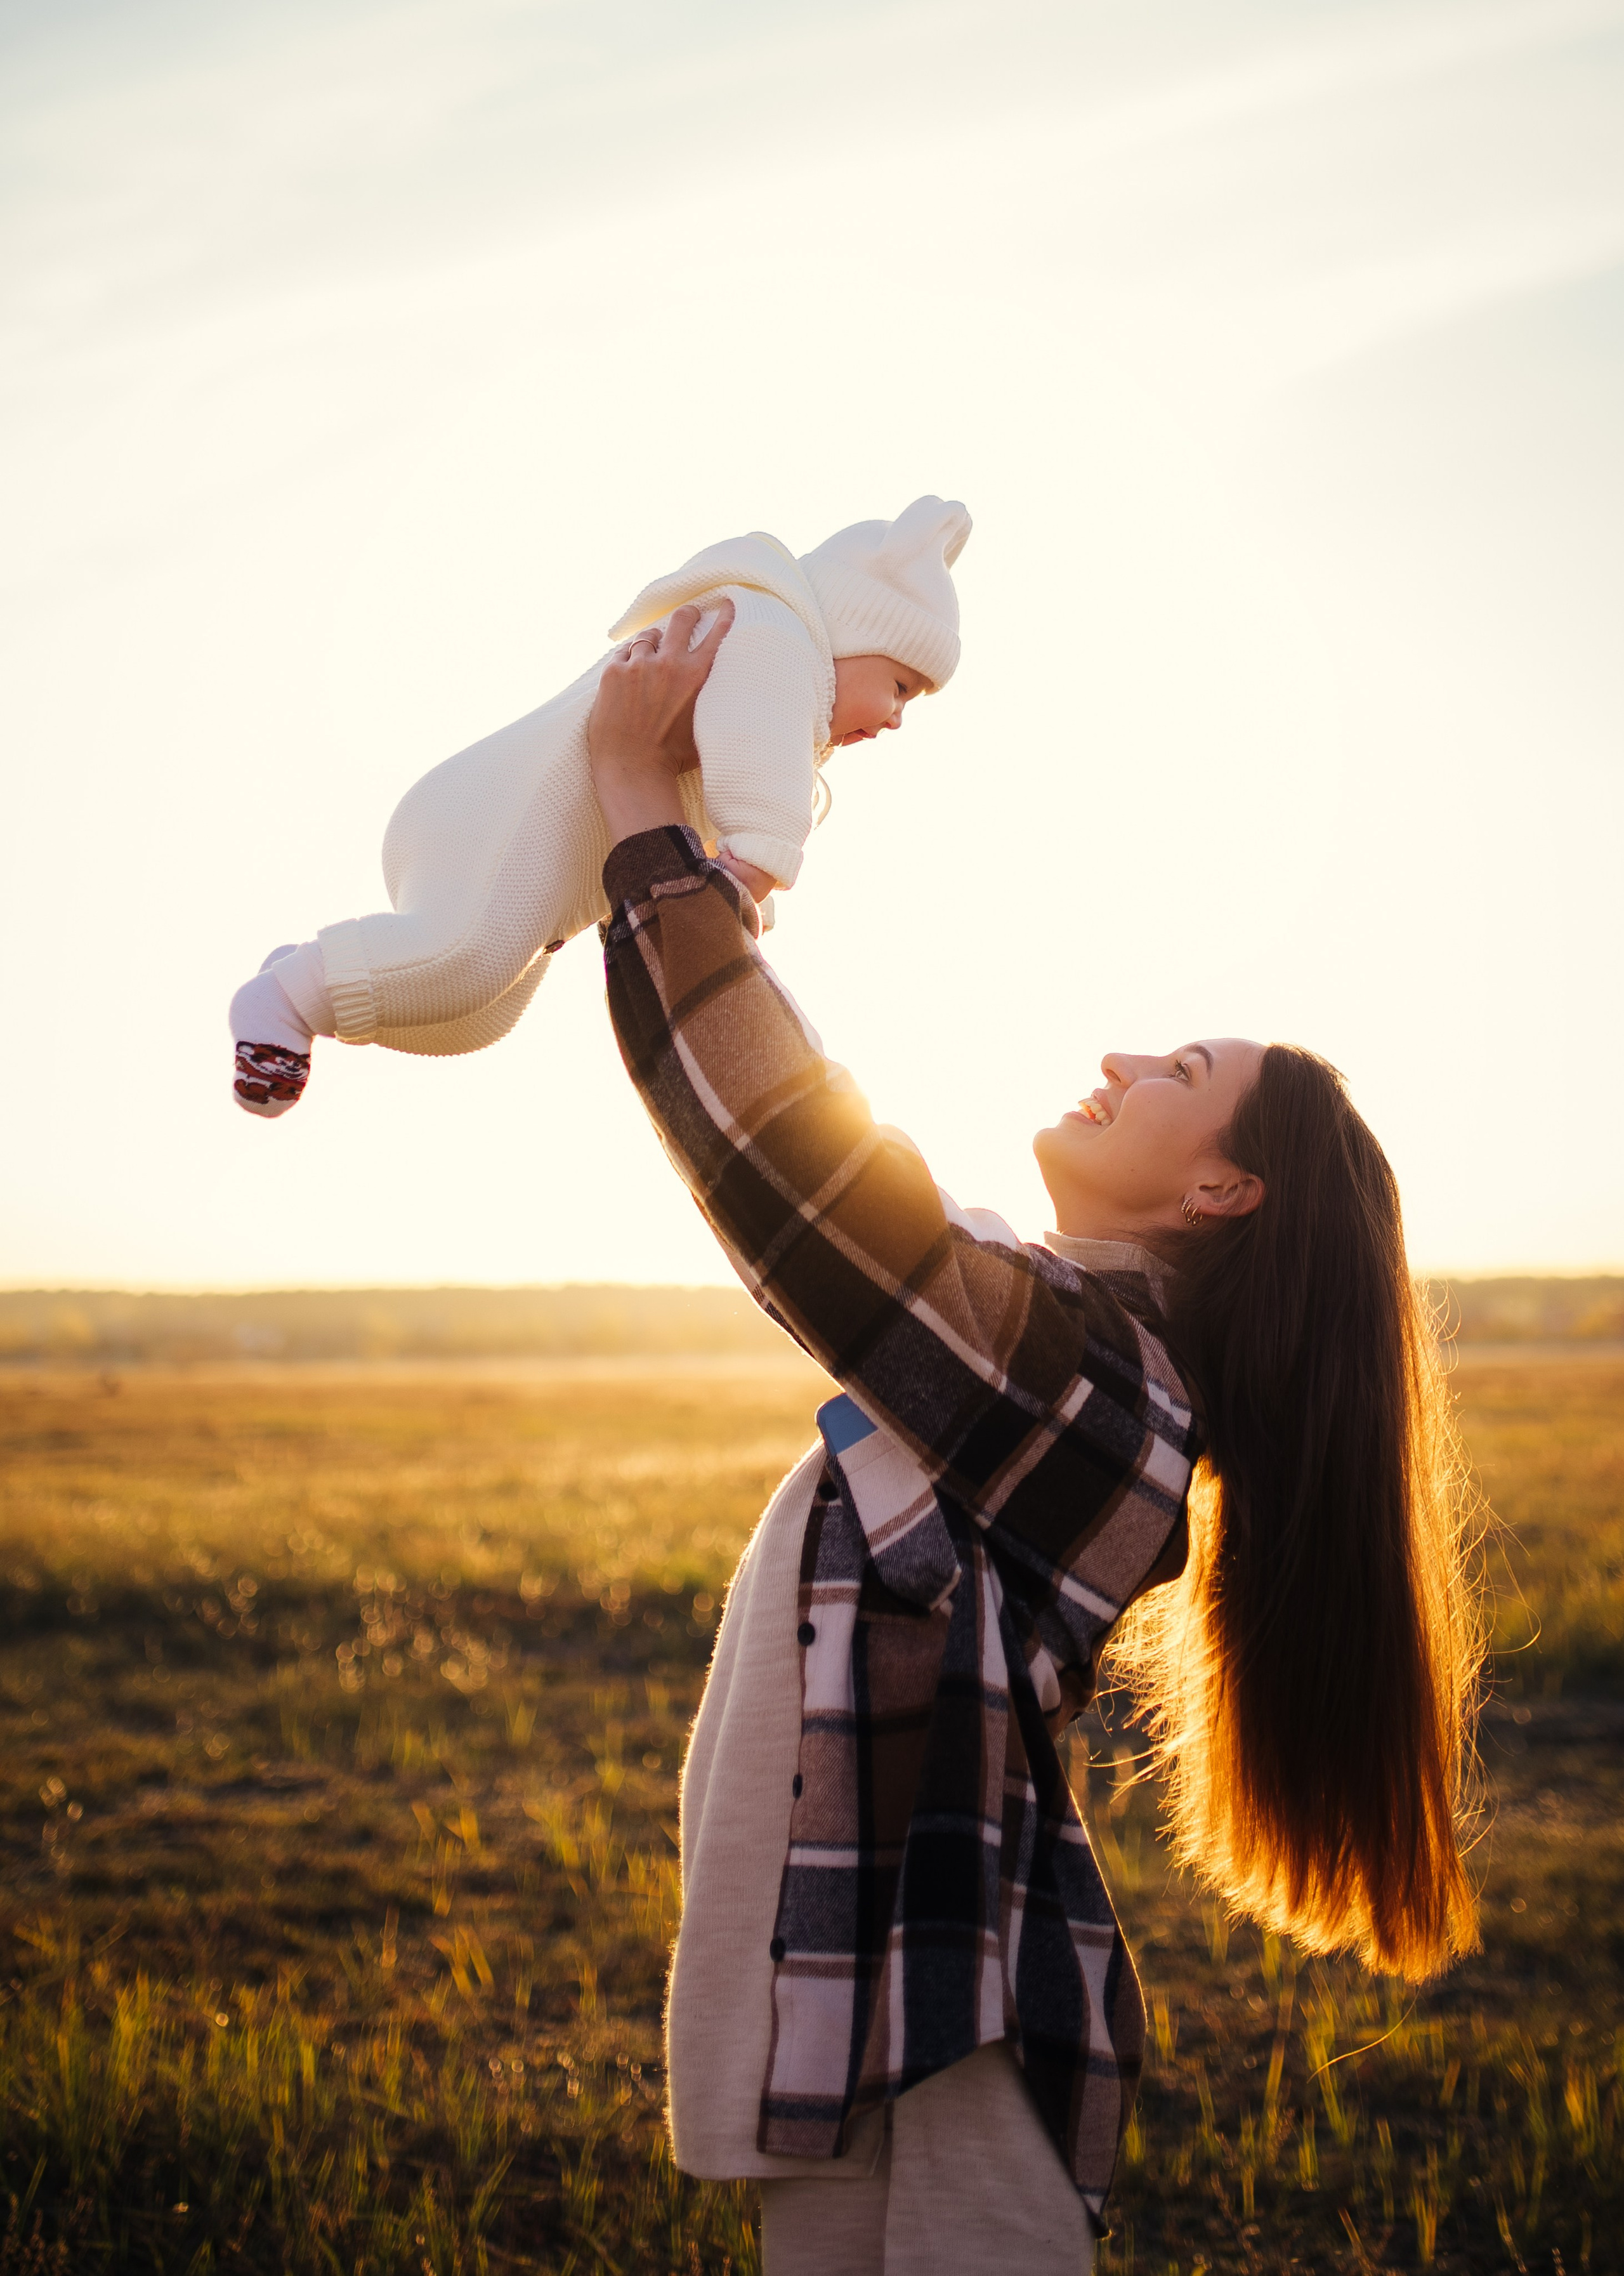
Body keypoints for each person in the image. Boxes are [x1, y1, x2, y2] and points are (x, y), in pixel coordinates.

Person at [584, 604, 1481, 2275]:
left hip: (945, 2023)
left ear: (1223, 1189)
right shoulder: (1061, 1342)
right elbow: (815, 1162)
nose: (1124, 1057)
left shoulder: (1102, 1392)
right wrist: (701, 849)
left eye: (1181, 1067)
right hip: (879, 2013)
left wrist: (644, 814)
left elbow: (795, 1166)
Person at [227, 497, 969, 1117]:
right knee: (469, 958)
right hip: (491, 820)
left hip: (481, 824)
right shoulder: (775, 641)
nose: (899, 717)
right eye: (901, 686)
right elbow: (760, 778)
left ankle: (313, 972)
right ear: (853, 629)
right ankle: (288, 1001)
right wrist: (758, 865)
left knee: (477, 1014)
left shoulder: (768, 669)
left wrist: (731, 897)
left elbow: (731, 782)